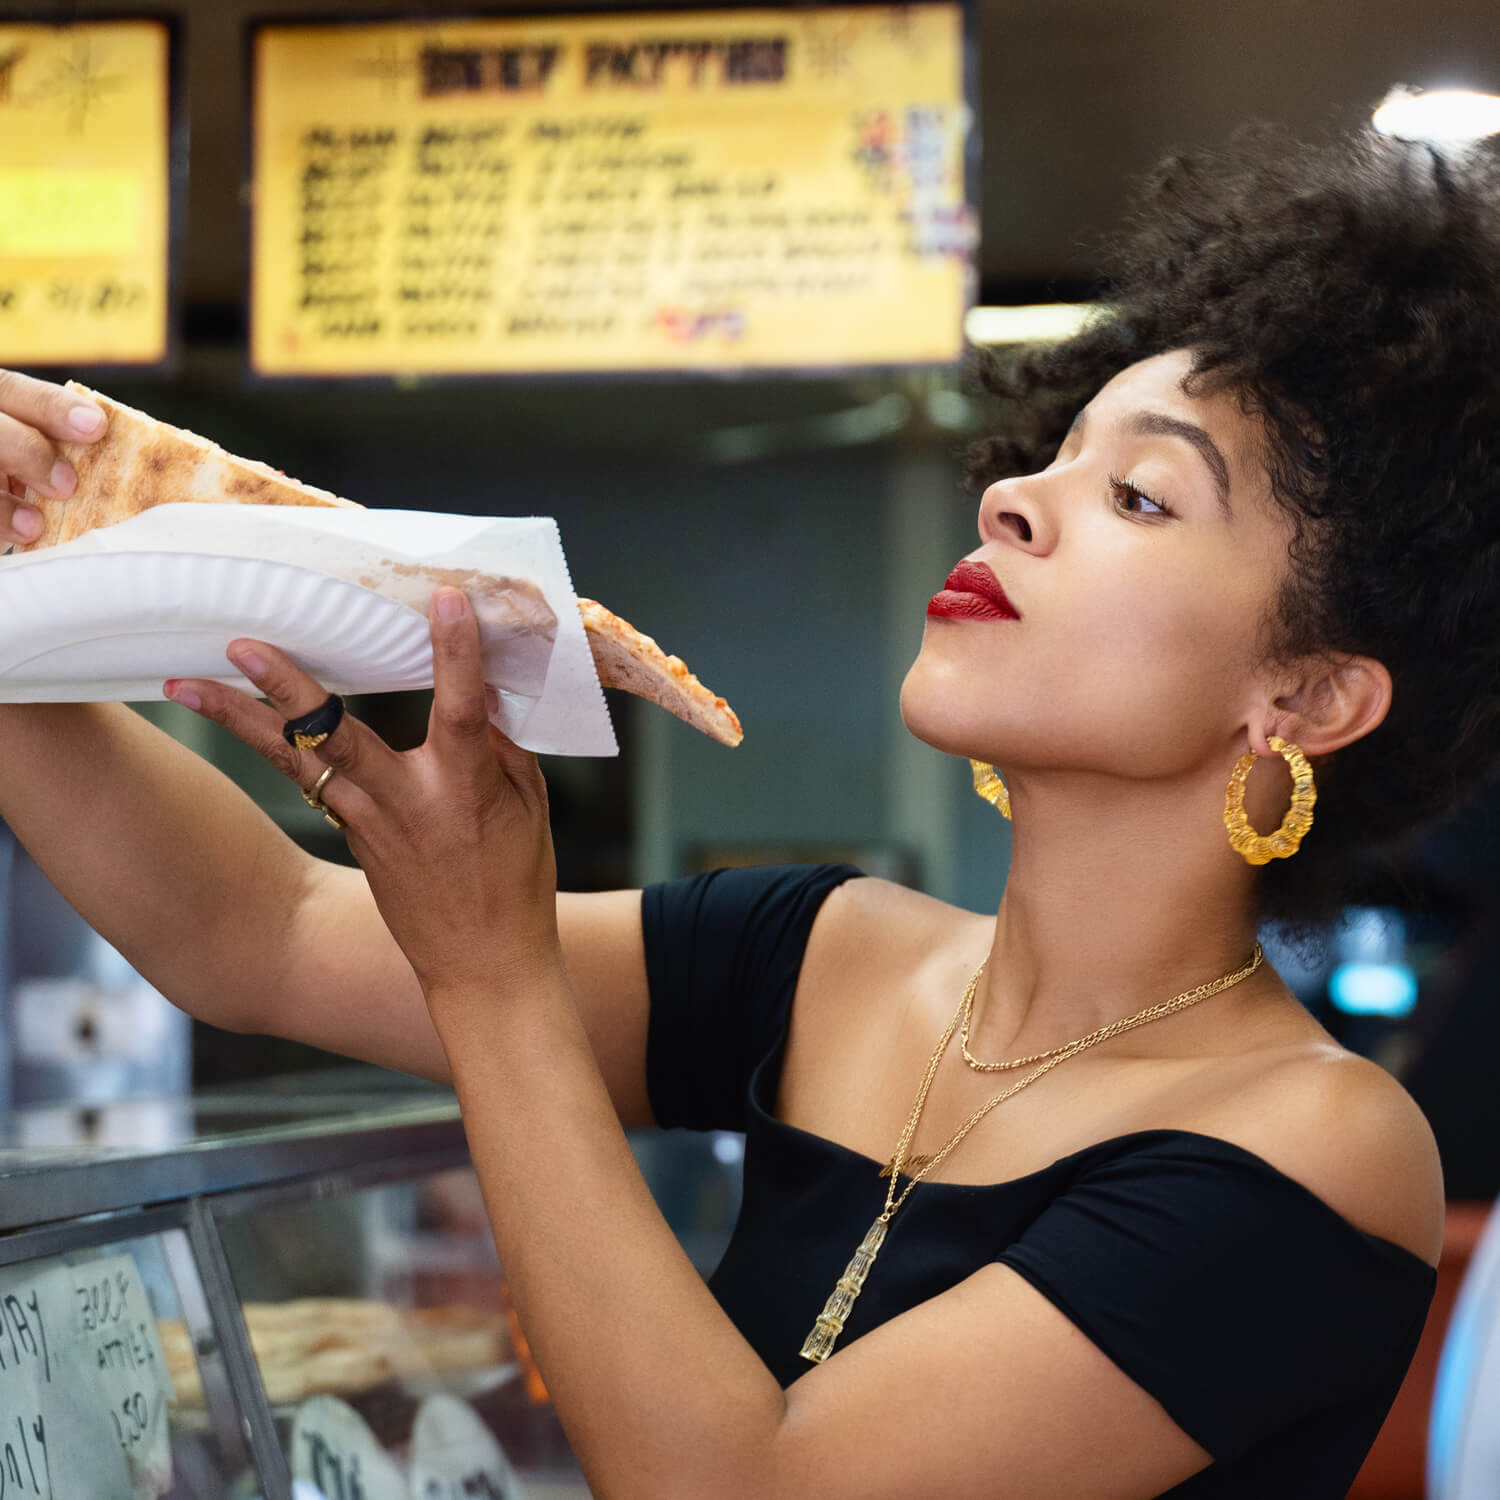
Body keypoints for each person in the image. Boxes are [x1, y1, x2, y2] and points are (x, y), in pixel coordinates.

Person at [0, 124, 1492, 1497]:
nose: (1014, 501)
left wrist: (493, 967)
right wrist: (17, 617)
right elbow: (251, 935)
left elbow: (744, 1487)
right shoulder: (827, 952)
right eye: (1054, 454)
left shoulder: (1320, 1143)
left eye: (1143, 498)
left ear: (1307, 698)